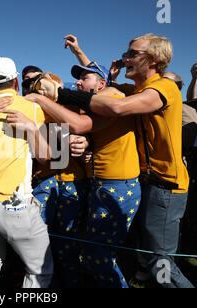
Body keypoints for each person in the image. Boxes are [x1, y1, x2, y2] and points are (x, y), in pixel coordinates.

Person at [50, 33, 193, 288]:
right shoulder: (134, 89)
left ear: (154, 59)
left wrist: (62, 95)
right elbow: (100, 83)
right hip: (147, 181)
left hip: (167, 185)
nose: (124, 58)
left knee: (161, 261)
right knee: (148, 254)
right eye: (125, 53)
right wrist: (78, 53)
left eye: (132, 54)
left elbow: (116, 107)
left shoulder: (164, 88)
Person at [26, 60, 141, 288]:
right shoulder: (34, 112)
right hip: (79, 183)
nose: (38, 88)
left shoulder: (106, 100)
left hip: (95, 184)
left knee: (83, 249)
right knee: (44, 243)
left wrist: (83, 143)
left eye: (43, 84)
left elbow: (81, 126)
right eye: (33, 85)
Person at [0, 57, 54, 288]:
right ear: (16, 81)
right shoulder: (31, 109)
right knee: (39, 269)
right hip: (13, 201)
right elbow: (46, 157)